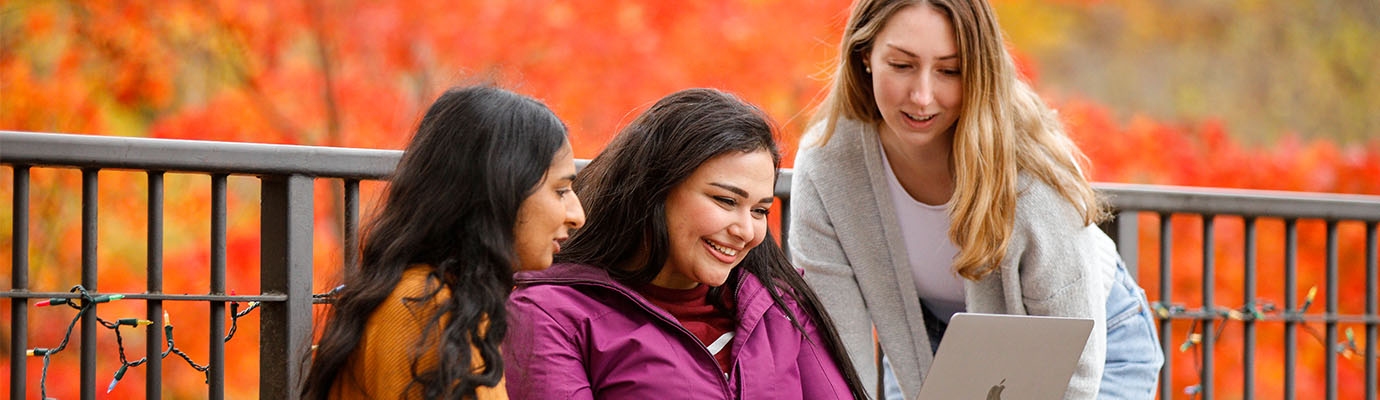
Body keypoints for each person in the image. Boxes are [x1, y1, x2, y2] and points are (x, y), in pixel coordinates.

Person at [789, 0, 1163, 399]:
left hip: (1089, 343)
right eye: (901, 65)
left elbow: (1074, 356)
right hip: (930, 340)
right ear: (864, 55)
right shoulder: (827, 165)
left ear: (979, 72)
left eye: (950, 71)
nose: (922, 96)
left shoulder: (1028, 169)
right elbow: (837, 357)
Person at [503, 88, 868, 399]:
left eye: (759, 210)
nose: (746, 230)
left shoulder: (780, 307)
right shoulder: (550, 311)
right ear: (655, 191)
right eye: (725, 201)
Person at [301, 85, 586, 399]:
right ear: (499, 192)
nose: (577, 215)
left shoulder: (445, 300)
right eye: (560, 191)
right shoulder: (423, 308)